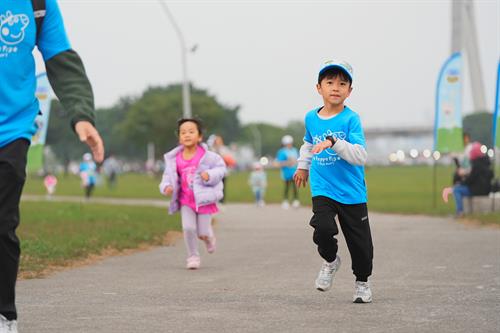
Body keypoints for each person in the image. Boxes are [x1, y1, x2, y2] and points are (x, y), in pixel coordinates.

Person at [0, 1, 104, 331]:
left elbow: (61, 59)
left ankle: (4, 315)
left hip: (11, 129)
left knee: (1, 223)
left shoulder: (38, 5)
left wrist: (81, 115)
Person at [293, 60, 373, 303]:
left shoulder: (351, 120)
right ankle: (330, 260)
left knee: (360, 245)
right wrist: (303, 166)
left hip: (352, 191)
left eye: (342, 83)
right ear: (319, 88)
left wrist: (334, 143)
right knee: (323, 229)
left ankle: (362, 282)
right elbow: (308, 143)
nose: (335, 87)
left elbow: (360, 155)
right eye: (329, 82)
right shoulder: (311, 117)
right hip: (323, 187)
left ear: (350, 90)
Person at [159, 118, 226, 270]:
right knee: (188, 228)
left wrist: (209, 174)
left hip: (204, 200)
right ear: (179, 137)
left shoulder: (208, 156)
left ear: (200, 136)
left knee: (202, 232)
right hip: (185, 201)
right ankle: (193, 256)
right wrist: (166, 186)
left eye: (191, 131)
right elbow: (167, 176)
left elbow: (221, 169)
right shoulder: (174, 158)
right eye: (183, 132)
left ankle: (208, 238)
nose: (187, 135)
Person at [451, 142, 493, 217]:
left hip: (477, 190)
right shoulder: (486, 163)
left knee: (456, 189)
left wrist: (461, 183)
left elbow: (470, 180)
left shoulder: (476, 165)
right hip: (487, 190)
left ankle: (459, 211)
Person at [209, 135, 235, 204]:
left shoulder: (224, 149)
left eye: (219, 141)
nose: (218, 142)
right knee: (214, 186)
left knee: (222, 186)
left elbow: (229, 159)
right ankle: (214, 199)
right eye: (216, 141)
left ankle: (222, 200)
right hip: (214, 171)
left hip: (223, 171)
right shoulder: (212, 149)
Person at [276, 135, 300, 209]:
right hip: (286, 172)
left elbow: (298, 160)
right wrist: (288, 162)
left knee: (295, 187)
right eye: (287, 143)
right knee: (287, 187)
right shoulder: (282, 152)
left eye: (290, 143)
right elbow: (279, 163)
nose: (289, 145)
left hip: (294, 171)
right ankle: (285, 201)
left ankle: (296, 200)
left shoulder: (295, 150)